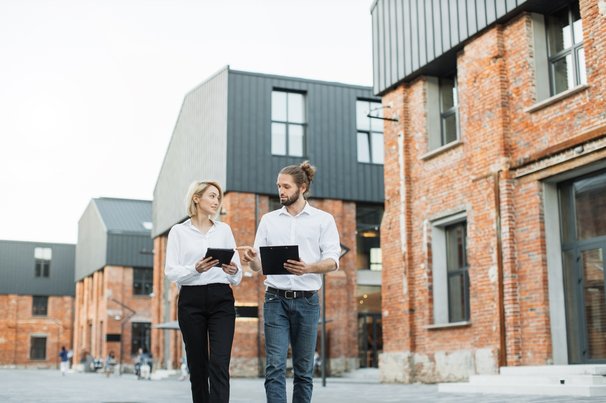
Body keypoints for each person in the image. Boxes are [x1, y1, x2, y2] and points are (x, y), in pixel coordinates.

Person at [238, 161, 340, 403]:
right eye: (278, 186)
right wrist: (251, 260)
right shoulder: (269, 220)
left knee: (303, 370)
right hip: (275, 300)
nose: (280, 191)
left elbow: (333, 261)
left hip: (307, 302)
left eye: (286, 186)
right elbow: (259, 266)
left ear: (302, 187)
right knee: (274, 366)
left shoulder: (323, 220)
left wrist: (309, 267)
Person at [165, 180, 242, 403]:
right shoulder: (178, 232)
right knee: (197, 365)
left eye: (218, 197)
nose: (216, 201)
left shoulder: (224, 230)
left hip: (221, 299)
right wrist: (195, 269)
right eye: (211, 196)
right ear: (196, 199)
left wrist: (234, 269)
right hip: (191, 300)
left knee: (219, 362)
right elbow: (171, 271)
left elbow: (236, 276)